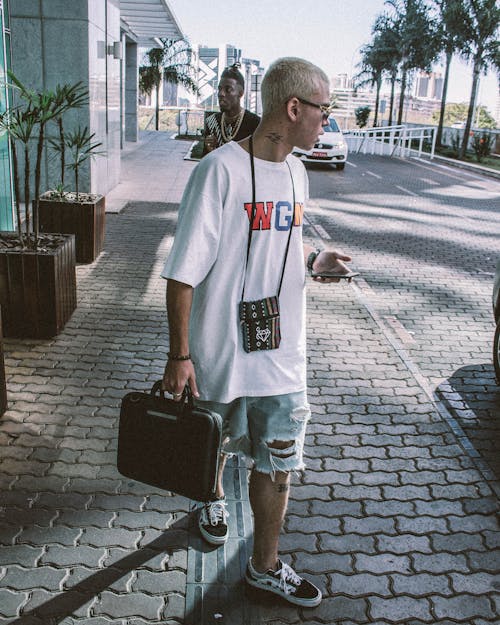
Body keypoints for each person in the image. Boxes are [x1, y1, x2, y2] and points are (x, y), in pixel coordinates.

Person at [162, 57, 353, 608]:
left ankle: (264, 567)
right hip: (221, 350)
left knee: (279, 464)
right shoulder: (217, 171)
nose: (327, 121)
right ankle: (213, 497)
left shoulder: (296, 172)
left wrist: (316, 259)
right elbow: (182, 273)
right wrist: (181, 356)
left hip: (281, 354)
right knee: (213, 446)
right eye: (323, 109)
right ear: (293, 109)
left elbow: (284, 247)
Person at [202, 63, 260, 156]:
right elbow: (206, 164)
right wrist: (210, 151)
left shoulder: (254, 123)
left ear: (240, 93)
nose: (221, 94)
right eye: (220, 89)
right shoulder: (212, 122)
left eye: (228, 89)